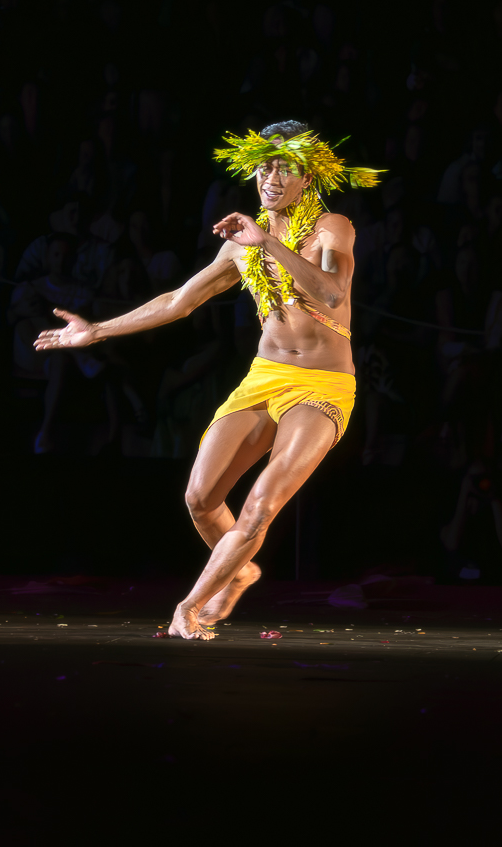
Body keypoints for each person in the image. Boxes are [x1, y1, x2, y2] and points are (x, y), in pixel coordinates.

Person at [35, 120, 380, 639]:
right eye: (265, 167)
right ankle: (239, 570)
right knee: (200, 499)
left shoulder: (332, 227)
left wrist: (269, 242)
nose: (272, 178)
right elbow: (179, 301)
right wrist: (97, 330)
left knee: (260, 506)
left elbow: (333, 293)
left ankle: (190, 607)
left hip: (323, 385)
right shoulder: (241, 245)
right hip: (265, 377)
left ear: (307, 178)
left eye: (285, 169)